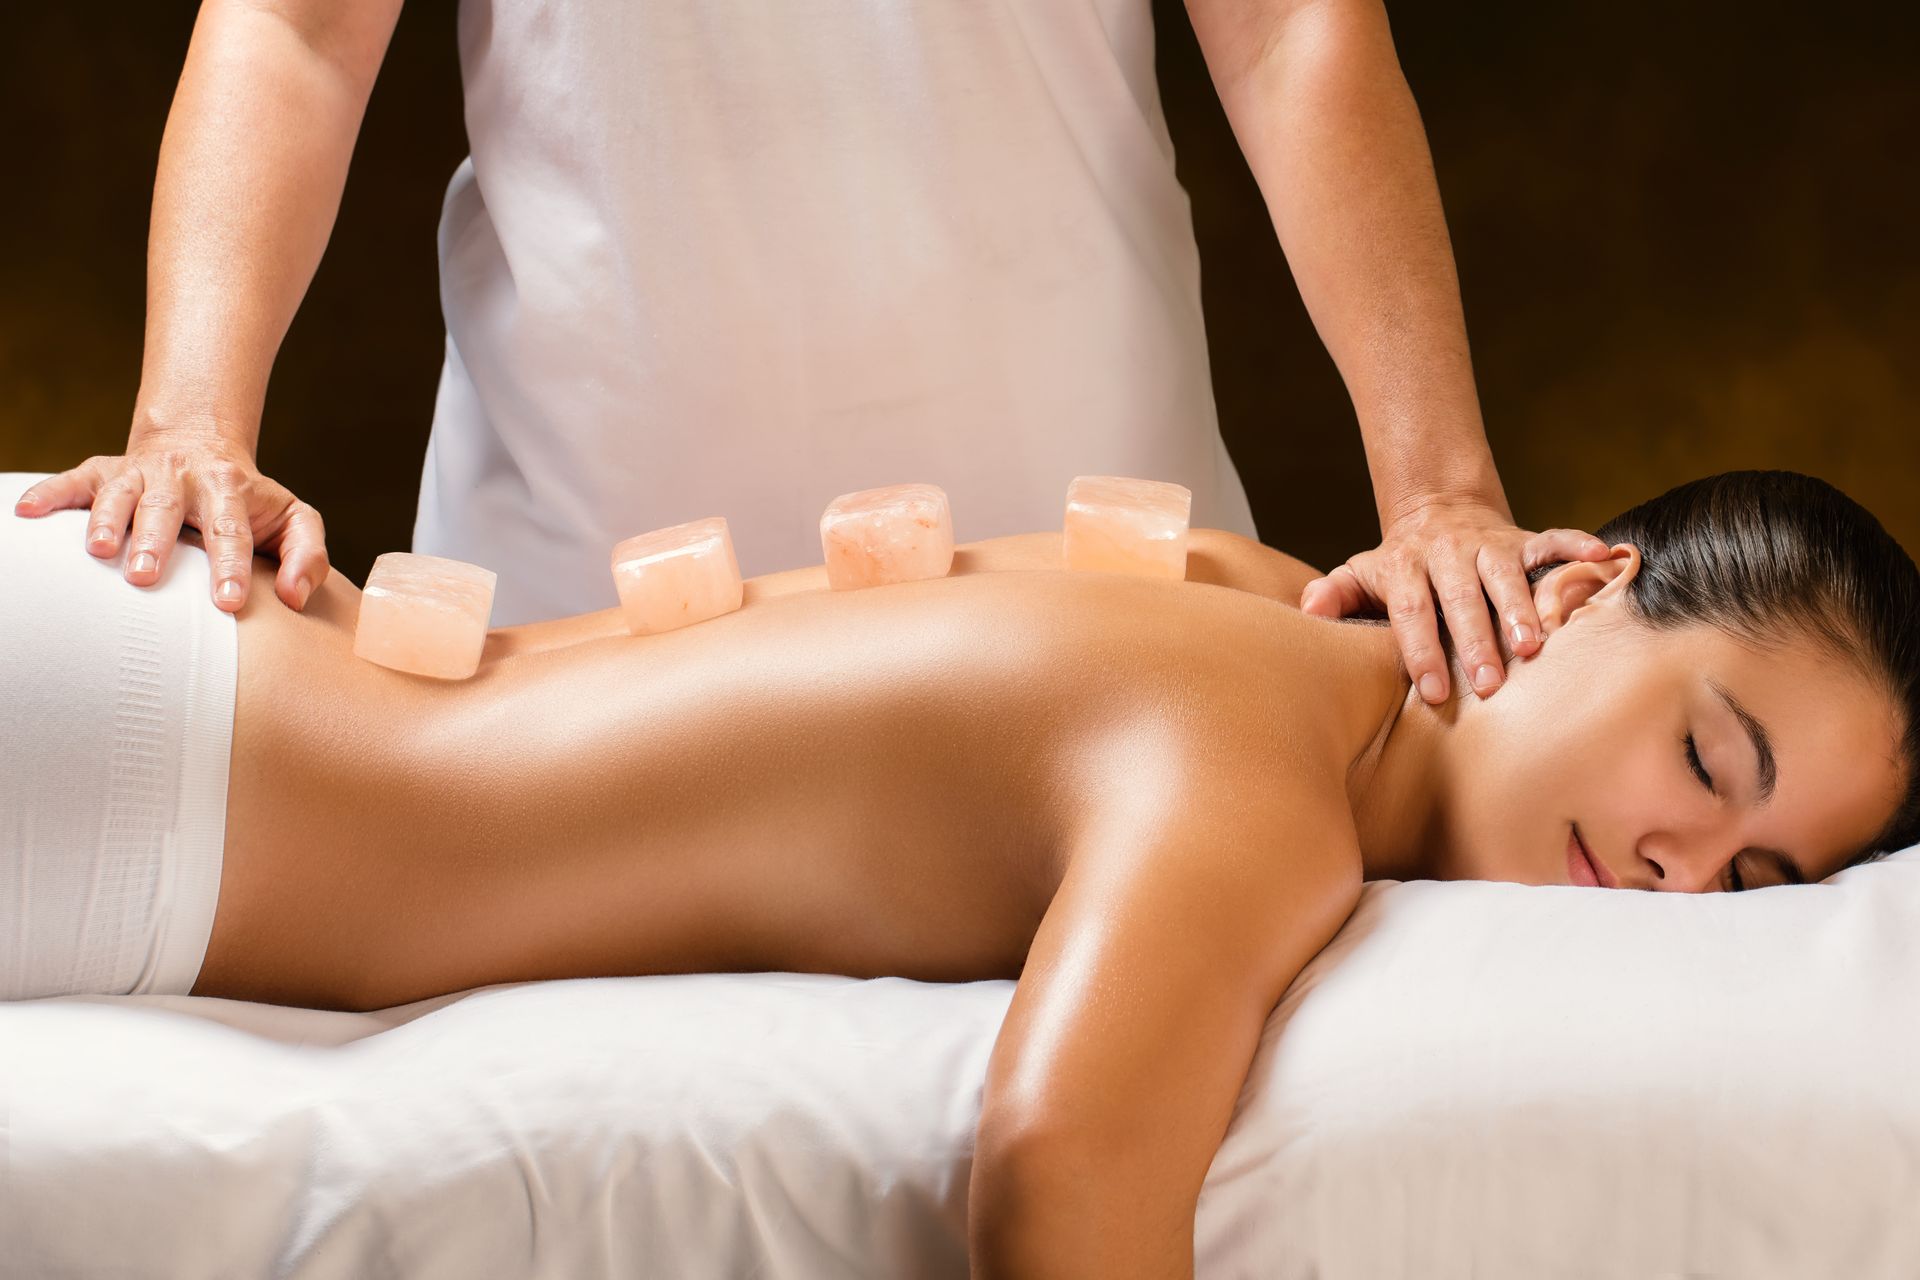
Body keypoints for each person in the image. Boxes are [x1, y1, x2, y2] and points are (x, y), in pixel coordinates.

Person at [3, 465, 1916, 1274]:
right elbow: (1063, 1165)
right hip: (138, 770)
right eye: (1706, 758)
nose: (1677, 873)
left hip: (154, 667)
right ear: (1576, 583)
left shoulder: (1251, 594)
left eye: (1753, 888)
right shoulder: (1268, 785)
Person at [11, 0, 1612, 708]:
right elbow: (292, 27)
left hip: (1103, 643)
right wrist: (187, 422)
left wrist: (1440, 492)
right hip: (556, 660)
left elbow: (1291, 29)